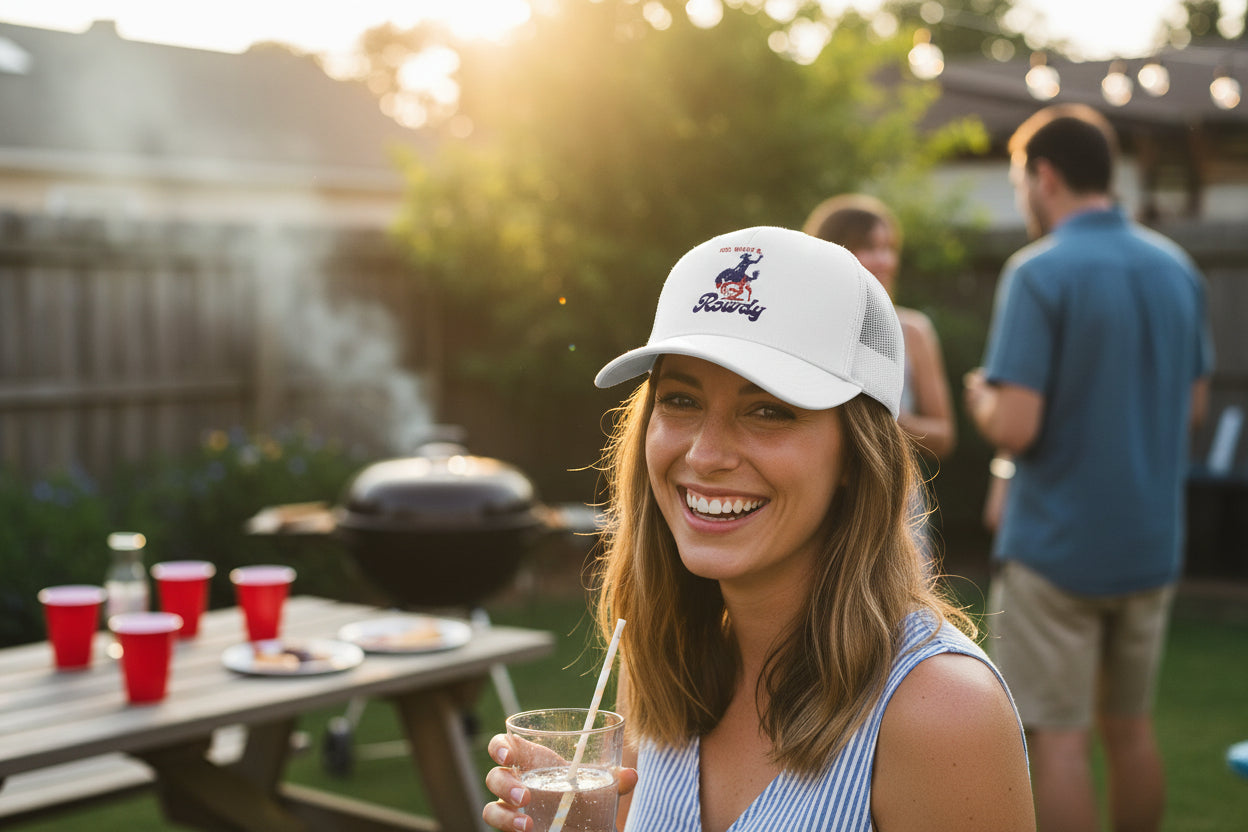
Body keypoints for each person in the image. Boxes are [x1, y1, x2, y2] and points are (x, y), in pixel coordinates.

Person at [484, 226, 1034, 831]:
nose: (705, 454)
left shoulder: (945, 713)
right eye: (681, 401)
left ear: (857, 456)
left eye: (768, 410)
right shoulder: (662, 664)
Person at [963, 103, 1213, 832]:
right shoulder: (1180, 269)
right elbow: (1193, 410)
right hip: (1150, 549)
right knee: (1130, 730)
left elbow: (1016, 424)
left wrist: (982, 398)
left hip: (1057, 552)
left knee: (1060, 743)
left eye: (1017, 182)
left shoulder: (1038, 272)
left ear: (1045, 177)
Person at [802, 193, 956, 461]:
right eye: (869, 247)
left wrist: (882, 417)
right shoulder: (803, 325)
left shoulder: (912, 330)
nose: (886, 261)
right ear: (834, 250)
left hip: (896, 493)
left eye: (889, 247)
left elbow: (944, 437)